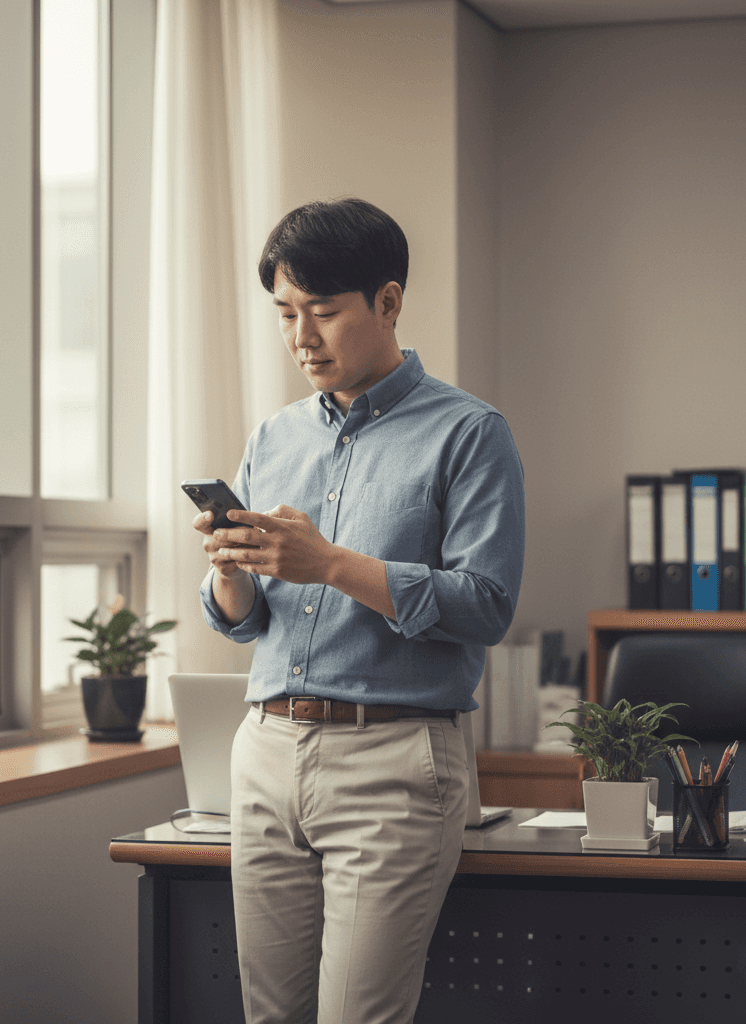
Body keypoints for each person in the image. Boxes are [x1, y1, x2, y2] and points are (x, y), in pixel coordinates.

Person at [194, 198, 524, 1024]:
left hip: (394, 762)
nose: (301, 337)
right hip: (265, 753)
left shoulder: (470, 432)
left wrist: (331, 564)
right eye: (285, 314)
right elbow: (248, 619)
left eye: (323, 311)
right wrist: (230, 572)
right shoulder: (274, 438)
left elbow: (486, 606)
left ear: (388, 301)